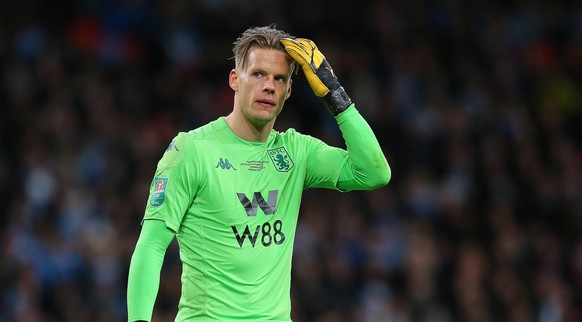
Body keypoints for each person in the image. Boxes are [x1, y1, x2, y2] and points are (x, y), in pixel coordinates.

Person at [126, 25, 391, 321]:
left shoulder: (295, 152)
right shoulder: (192, 151)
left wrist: (336, 96)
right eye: (258, 74)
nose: (269, 86)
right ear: (235, 80)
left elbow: (374, 172)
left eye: (279, 79)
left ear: (288, 90)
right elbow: (151, 246)